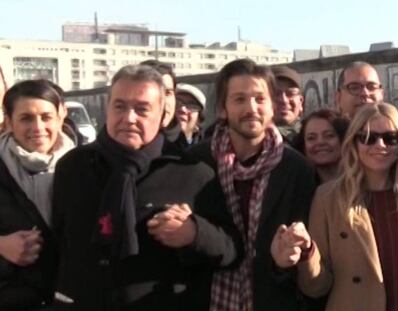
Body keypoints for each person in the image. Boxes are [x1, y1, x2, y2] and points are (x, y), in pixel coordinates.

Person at [52, 64, 242, 311]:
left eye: (142, 109)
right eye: (120, 106)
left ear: (163, 114)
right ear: (107, 109)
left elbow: (232, 251)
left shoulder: (193, 173)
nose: (129, 118)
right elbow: (58, 241)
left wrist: (194, 233)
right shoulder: (74, 166)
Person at [188, 59, 316, 310]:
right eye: (239, 99)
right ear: (223, 109)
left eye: (260, 98)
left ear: (272, 106)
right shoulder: (196, 163)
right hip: (207, 299)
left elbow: (304, 250)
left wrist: (283, 261)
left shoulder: (297, 169)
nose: (251, 108)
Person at [272, 102, 398, 310]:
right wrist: (307, 252)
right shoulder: (328, 198)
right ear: (354, 143)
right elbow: (316, 287)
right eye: (368, 138)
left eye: (390, 138)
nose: (380, 145)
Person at [0, 79, 74, 310]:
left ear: (61, 115)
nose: (38, 127)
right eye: (26, 118)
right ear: (9, 121)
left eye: (46, 117)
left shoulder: (87, 165)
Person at [294, 109, 349, 182]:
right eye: (311, 138)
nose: (320, 142)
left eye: (329, 136)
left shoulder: (363, 185)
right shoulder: (296, 187)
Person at [271, 66, 304, 144]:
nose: (284, 100)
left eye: (291, 94)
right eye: (276, 94)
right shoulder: (254, 141)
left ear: (301, 102)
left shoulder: (313, 137)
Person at [175, 83, 206, 149]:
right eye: (177, 103)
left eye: (191, 105)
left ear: (199, 119)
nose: (182, 109)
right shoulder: (155, 146)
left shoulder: (210, 148)